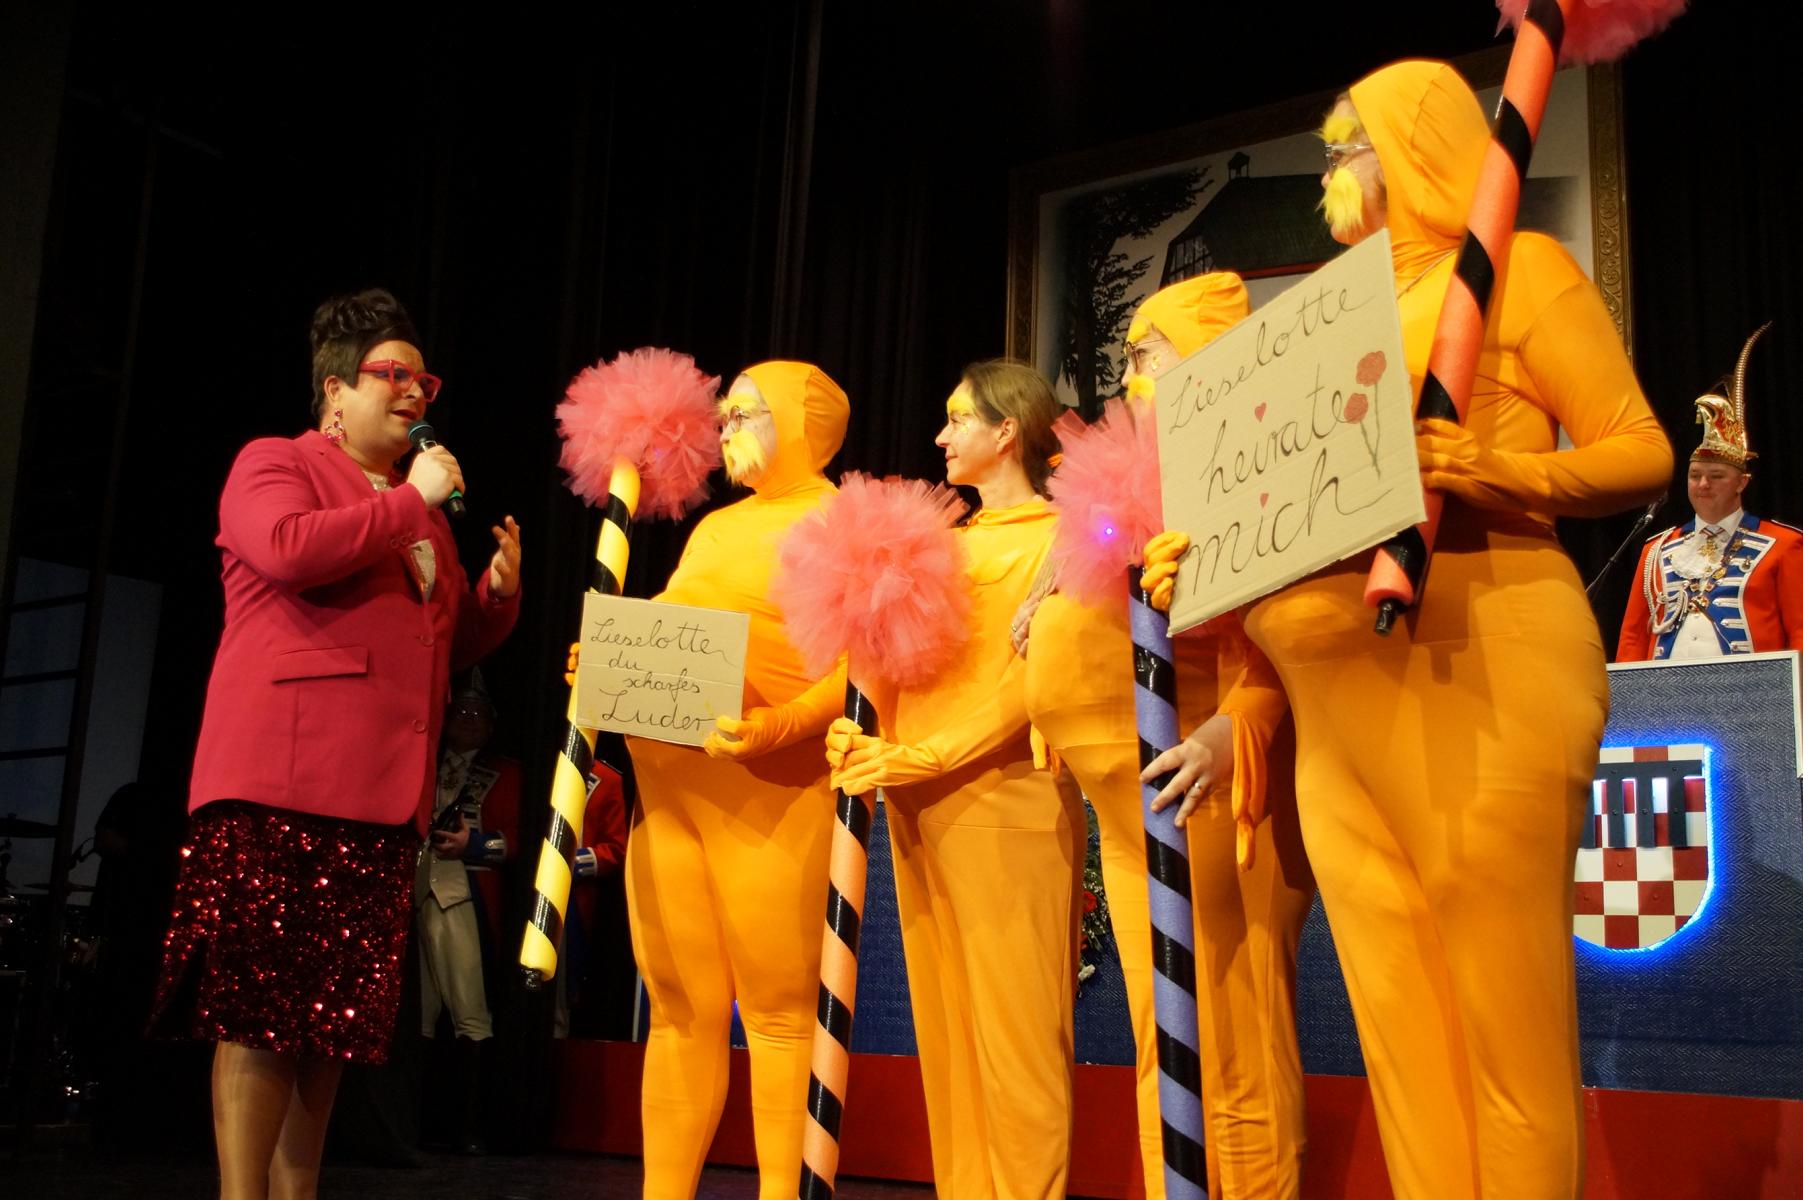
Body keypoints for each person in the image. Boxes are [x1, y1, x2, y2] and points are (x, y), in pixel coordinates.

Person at [1147, 62, 1671, 1199]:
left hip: (1477, 659)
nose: (1329, 171)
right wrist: (1208, 561)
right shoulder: (1317, 327)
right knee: (1402, 1039)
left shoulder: (1517, 271)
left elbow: (1640, 450)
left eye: (1350, 146)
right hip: (1332, 718)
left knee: (1502, 1031)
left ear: (1414, 147)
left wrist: (1496, 467)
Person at [152, 288, 522, 1200]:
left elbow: (439, 643)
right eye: (392, 374)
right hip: (282, 785)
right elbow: (287, 549)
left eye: (423, 380)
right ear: (334, 391)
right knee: (259, 1017)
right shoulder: (277, 463)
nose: (414, 392)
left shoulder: (420, 513)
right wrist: (412, 502)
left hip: (382, 798)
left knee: (329, 1027)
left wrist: (496, 597)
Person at [1021, 273, 1315, 1199]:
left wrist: (1230, 734)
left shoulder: (1257, 463)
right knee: (1164, 1037)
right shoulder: (1131, 475)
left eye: (1147, 353)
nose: (1127, 376)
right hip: (1131, 802)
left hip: (1211, 792)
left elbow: (1277, 636)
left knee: (1235, 1032)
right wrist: (1047, 599)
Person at [827, 359, 1082, 1198]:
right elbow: (892, 669)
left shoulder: (1066, 537)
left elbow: (1039, 679)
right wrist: (859, 733)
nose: (940, 436)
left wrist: (929, 754)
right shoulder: (941, 543)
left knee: (1018, 1041)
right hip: (915, 802)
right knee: (950, 1037)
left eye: (958, 418)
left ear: (1007, 430)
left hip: (1007, 803)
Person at [623, 360, 850, 1199]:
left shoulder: (838, 523)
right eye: (723, 414)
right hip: (668, 798)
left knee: (778, 1018)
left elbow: (866, 668)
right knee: (678, 1012)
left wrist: (782, 725)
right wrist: (608, 662)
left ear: (801, 420)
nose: (725, 428)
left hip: (770, 798)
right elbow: (671, 627)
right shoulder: (714, 529)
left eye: (746, 413)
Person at [1617, 324, 1803, 660]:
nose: (1703, 484)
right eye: (1695, 476)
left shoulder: (1784, 545)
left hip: (1753, 689)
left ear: (1742, 483)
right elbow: (1634, 637)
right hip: (1669, 690)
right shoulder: (1656, 551)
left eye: (1716, 476)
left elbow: (1800, 630)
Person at [414, 670, 517, 1154]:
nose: (470, 720)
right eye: (461, 712)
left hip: (465, 895)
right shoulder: (423, 765)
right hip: (415, 893)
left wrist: (473, 844)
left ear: (492, 725)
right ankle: (416, 1123)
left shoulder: (508, 773)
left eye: (479, 714)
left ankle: (469, 1127)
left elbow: (521, 839)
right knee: (420, 1014)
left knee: (470, 1011)